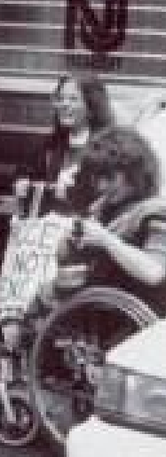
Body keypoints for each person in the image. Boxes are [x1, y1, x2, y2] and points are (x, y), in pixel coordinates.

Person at [64, 126, 166, 312]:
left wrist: (105, 239)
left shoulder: (156, 213)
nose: (101, 186)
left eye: (110, 178)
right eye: (97, 178)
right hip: (97, 314)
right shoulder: (103, 210)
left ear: (134, 172)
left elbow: (154, 272)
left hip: (135, 324)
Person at [37, 73, 114, 210]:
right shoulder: (49, 145)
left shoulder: (107, 148)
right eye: (60, 99)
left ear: (91, 106)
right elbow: (28, 179)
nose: (64, 105)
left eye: (73, 99)